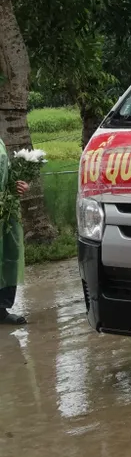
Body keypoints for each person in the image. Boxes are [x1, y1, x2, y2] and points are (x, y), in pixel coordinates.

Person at [0, 138, 31, 325]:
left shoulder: (1, 142)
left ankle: (1, 309)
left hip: (6, 210)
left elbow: (7, 175)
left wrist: (20, 186)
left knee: (8, 257)